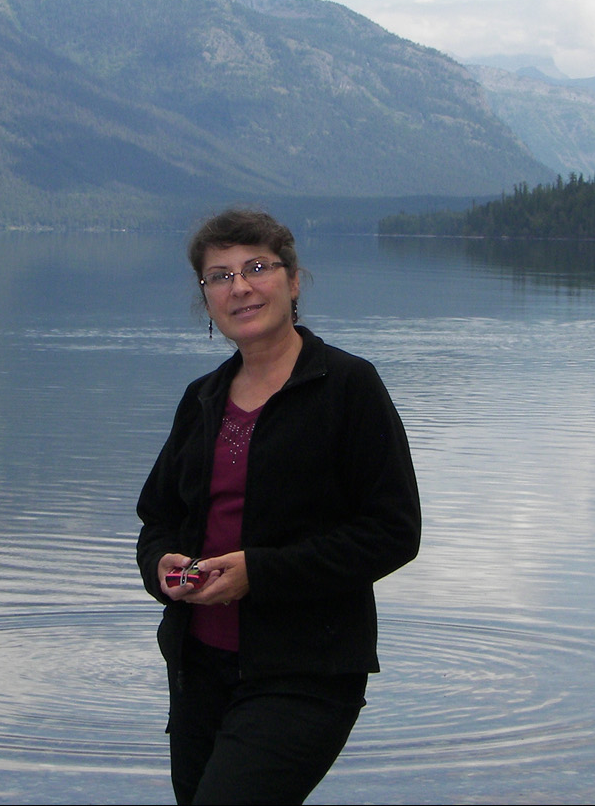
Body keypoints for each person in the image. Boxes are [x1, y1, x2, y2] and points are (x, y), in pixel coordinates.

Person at [136, 208, 421, 805]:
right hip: (197, 670)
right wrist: (163, 567)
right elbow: (157, 518)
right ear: (206, 298)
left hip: (305, 673)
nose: (239, 286)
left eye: (256, 267)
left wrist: (257, 574)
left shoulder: (348, 387)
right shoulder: (203, 398)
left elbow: (394, 532)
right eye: (219, 275)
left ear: (293, 281)